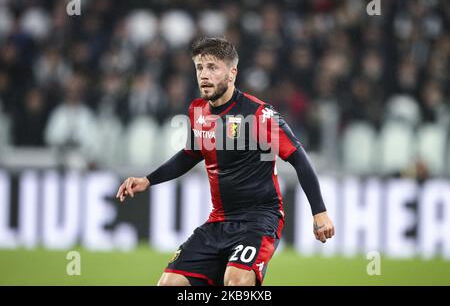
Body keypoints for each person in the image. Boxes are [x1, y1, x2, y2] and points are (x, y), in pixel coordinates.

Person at [116, 37, 335, 286]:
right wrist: (147, 180)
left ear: (232, 73)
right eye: (200, 67)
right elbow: (190, 154)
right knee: (168, 284)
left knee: (237, 283)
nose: (204, 75)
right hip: (219, 220)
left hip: (259, 219)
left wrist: (320, 212)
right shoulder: (198, 111)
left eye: (212, 67)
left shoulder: (258, 114)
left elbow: (300, 158)